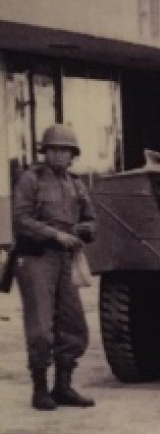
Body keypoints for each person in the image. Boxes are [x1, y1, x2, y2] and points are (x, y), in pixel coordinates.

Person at [12, 124, 97, 411]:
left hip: (66, 259)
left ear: (73, 155)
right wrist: (55, 234)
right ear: (45, 152)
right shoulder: (31, 180)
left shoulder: (76, 184)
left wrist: (83, 230)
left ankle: (63, 385)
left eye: (66, 150)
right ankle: (40, 388)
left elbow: (91, 220)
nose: (60, 155)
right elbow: (21, 220)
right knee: (40, 327)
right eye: (54, 149)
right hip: (37, 257)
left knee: (73, 325)